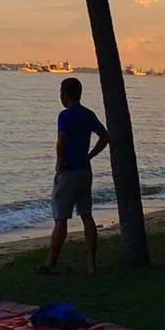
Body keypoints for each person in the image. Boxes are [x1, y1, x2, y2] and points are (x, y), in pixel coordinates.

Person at [38, 77, 109, 276]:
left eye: (61, 93)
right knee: (87, 216)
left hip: (68, 172)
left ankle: (51, 264)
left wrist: (59, 161)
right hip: (85, 171)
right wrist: (90, 156)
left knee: (61, 219)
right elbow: (105, 136)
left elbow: (61, 140)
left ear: (65, 95)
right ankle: (91, 264)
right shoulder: (88, 114)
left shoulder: (65, 115)